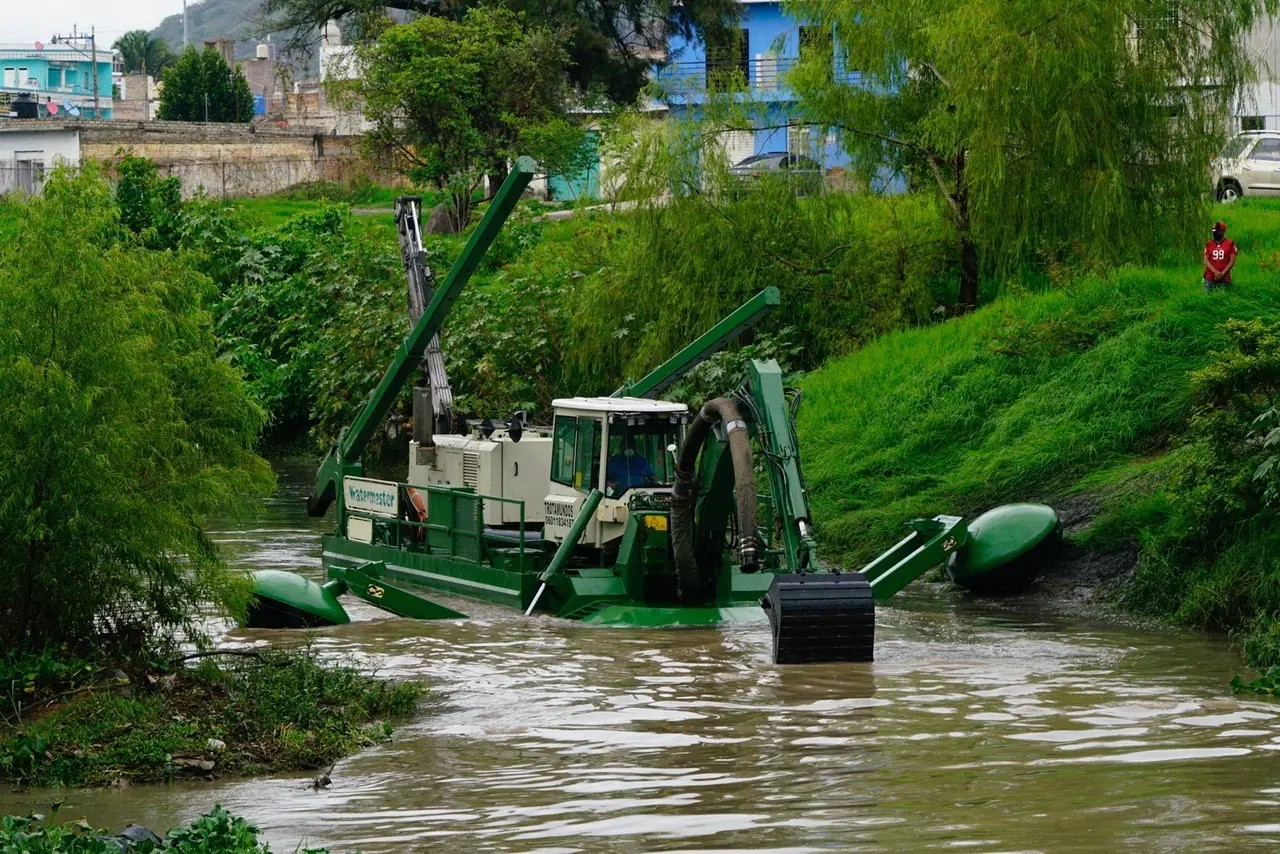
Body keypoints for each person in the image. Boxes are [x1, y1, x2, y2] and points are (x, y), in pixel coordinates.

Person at [1203, 220, 1239, 293]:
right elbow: (1206, 260)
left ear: (1222, 232)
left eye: (1216, 231)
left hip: (1224, 278)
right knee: (1207, 296)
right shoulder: (1209, 243)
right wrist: (1215, 271)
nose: (1214, 233)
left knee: (1224, 297)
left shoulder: (1230, 243)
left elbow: (1232, 261)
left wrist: (1222, 273)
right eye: (1213, 231)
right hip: (1210, 277)